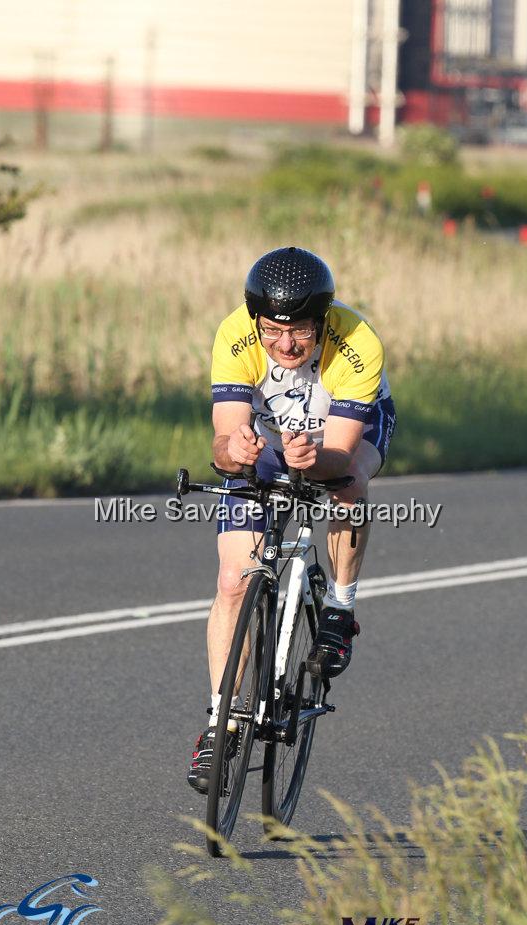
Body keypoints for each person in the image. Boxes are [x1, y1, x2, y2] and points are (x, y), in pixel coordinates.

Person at [188, 246, 395, 793]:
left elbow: (341, 456)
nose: (285, 344)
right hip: (271, 432)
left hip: (344, 433)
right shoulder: (234, 336)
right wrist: (237, 451)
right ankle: (220, 723)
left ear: (322, 321)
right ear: (255, 320)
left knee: (348, 485)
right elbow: (223, 442)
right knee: (233, 581)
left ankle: (339, 607)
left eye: (300, 331)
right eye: (272, 330)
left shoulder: (357, 344)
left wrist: (316, 460)